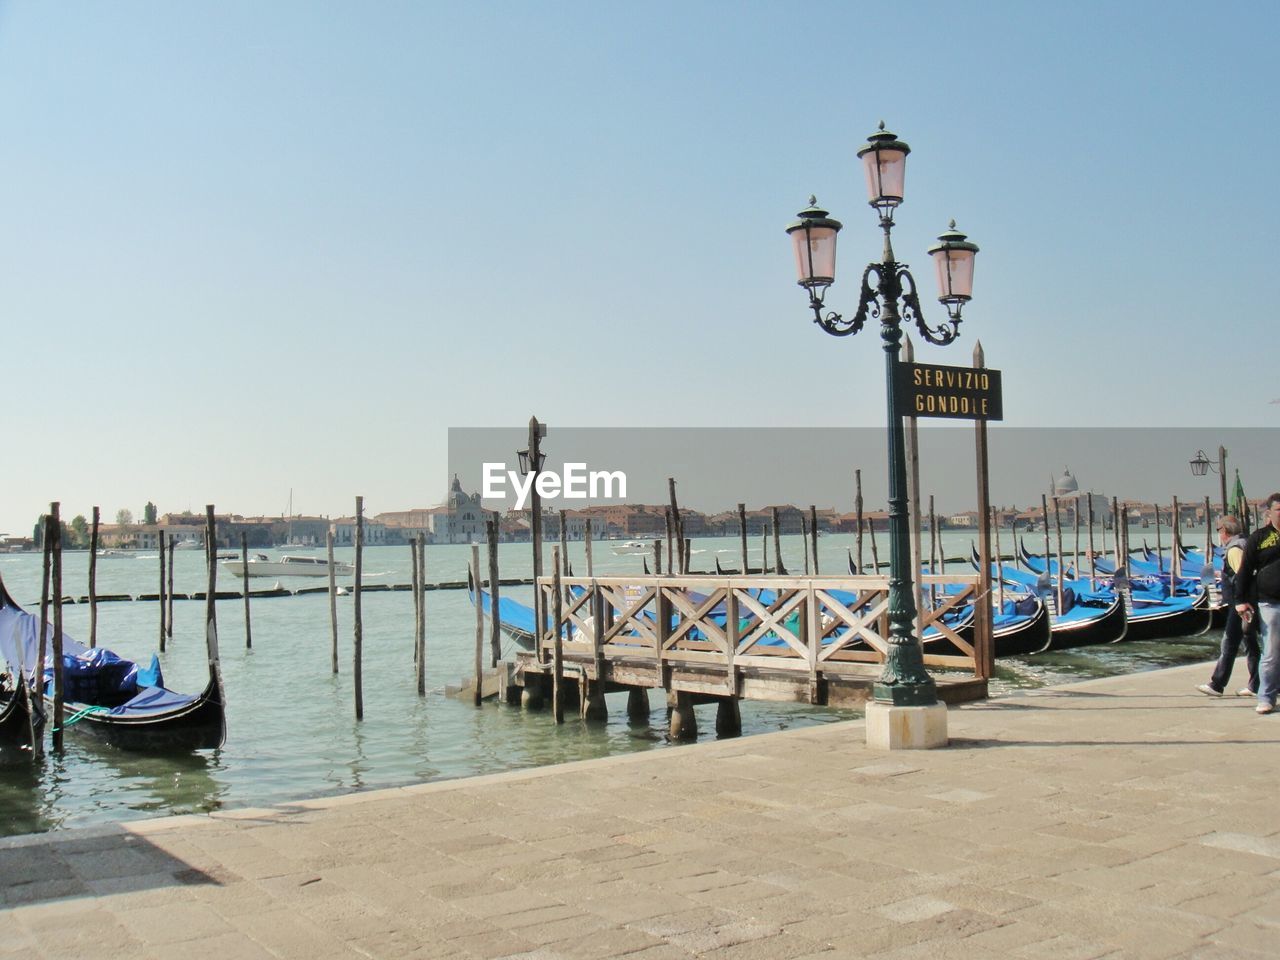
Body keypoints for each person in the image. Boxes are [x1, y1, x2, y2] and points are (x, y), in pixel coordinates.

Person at [1197, 516, 1259, 698]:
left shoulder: (1233, 549)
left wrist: (1241, 602)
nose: (1219, 534)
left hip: (1240, 604)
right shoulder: (1245, 542)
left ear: (1224, 531)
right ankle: (1256, 684)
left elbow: (1243, 575)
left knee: (1230, 643)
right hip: (1247, 602)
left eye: (1219, 530)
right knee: (1250, 643)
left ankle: (1217, 684)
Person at [1234, 493, 1280, 715]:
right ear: (1269, 513)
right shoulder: (1259, 538)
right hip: (1268, 603)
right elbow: (1244, 570)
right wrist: (1240, 600)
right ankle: (1266, 697)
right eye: (1279, 509)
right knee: (1271, 653)